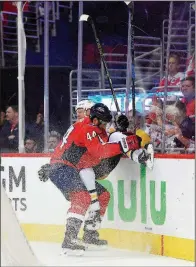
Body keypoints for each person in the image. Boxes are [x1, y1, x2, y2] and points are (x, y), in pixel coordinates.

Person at [38, 103, 152, 255]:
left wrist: (122, 130)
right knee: (82, 197)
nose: (105, 125)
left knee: (103, 196)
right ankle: (69, 240)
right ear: (96, 120)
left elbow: (108, 141)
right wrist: (128, 142)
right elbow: (100, 151)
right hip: (62, 167)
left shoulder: (92, 126)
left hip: (72, 168)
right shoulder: (88, 128)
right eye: (104, 122)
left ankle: (90, 235)